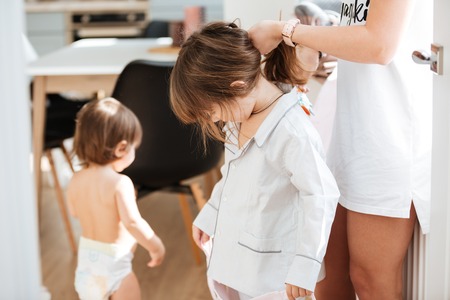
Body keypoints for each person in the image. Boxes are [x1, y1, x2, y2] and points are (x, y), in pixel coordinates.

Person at [248, 0, 432, 299]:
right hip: (349, 133)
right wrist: (332, 55)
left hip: (388, 139)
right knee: (327, 277)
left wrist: (287, 30)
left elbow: (380, 45)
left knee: (370, 281)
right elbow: (370, 35)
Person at [169, 21, 340, 300]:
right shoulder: (239, 119)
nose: (215, 120)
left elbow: (320, 195)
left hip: (276, 277)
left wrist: (305, 265)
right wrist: (211, 214)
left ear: (237, 87)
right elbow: (233, 177)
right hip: (242, 266)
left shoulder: (291, 131)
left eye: (211, 112)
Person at [66, 97, 166, 300]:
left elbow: (74, 211)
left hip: (86, 264)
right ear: (121, 148)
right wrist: (155, 247)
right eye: (134, 148)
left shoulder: (76, 179)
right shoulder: (120, 183)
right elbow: (133, 222)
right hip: (115, 264)